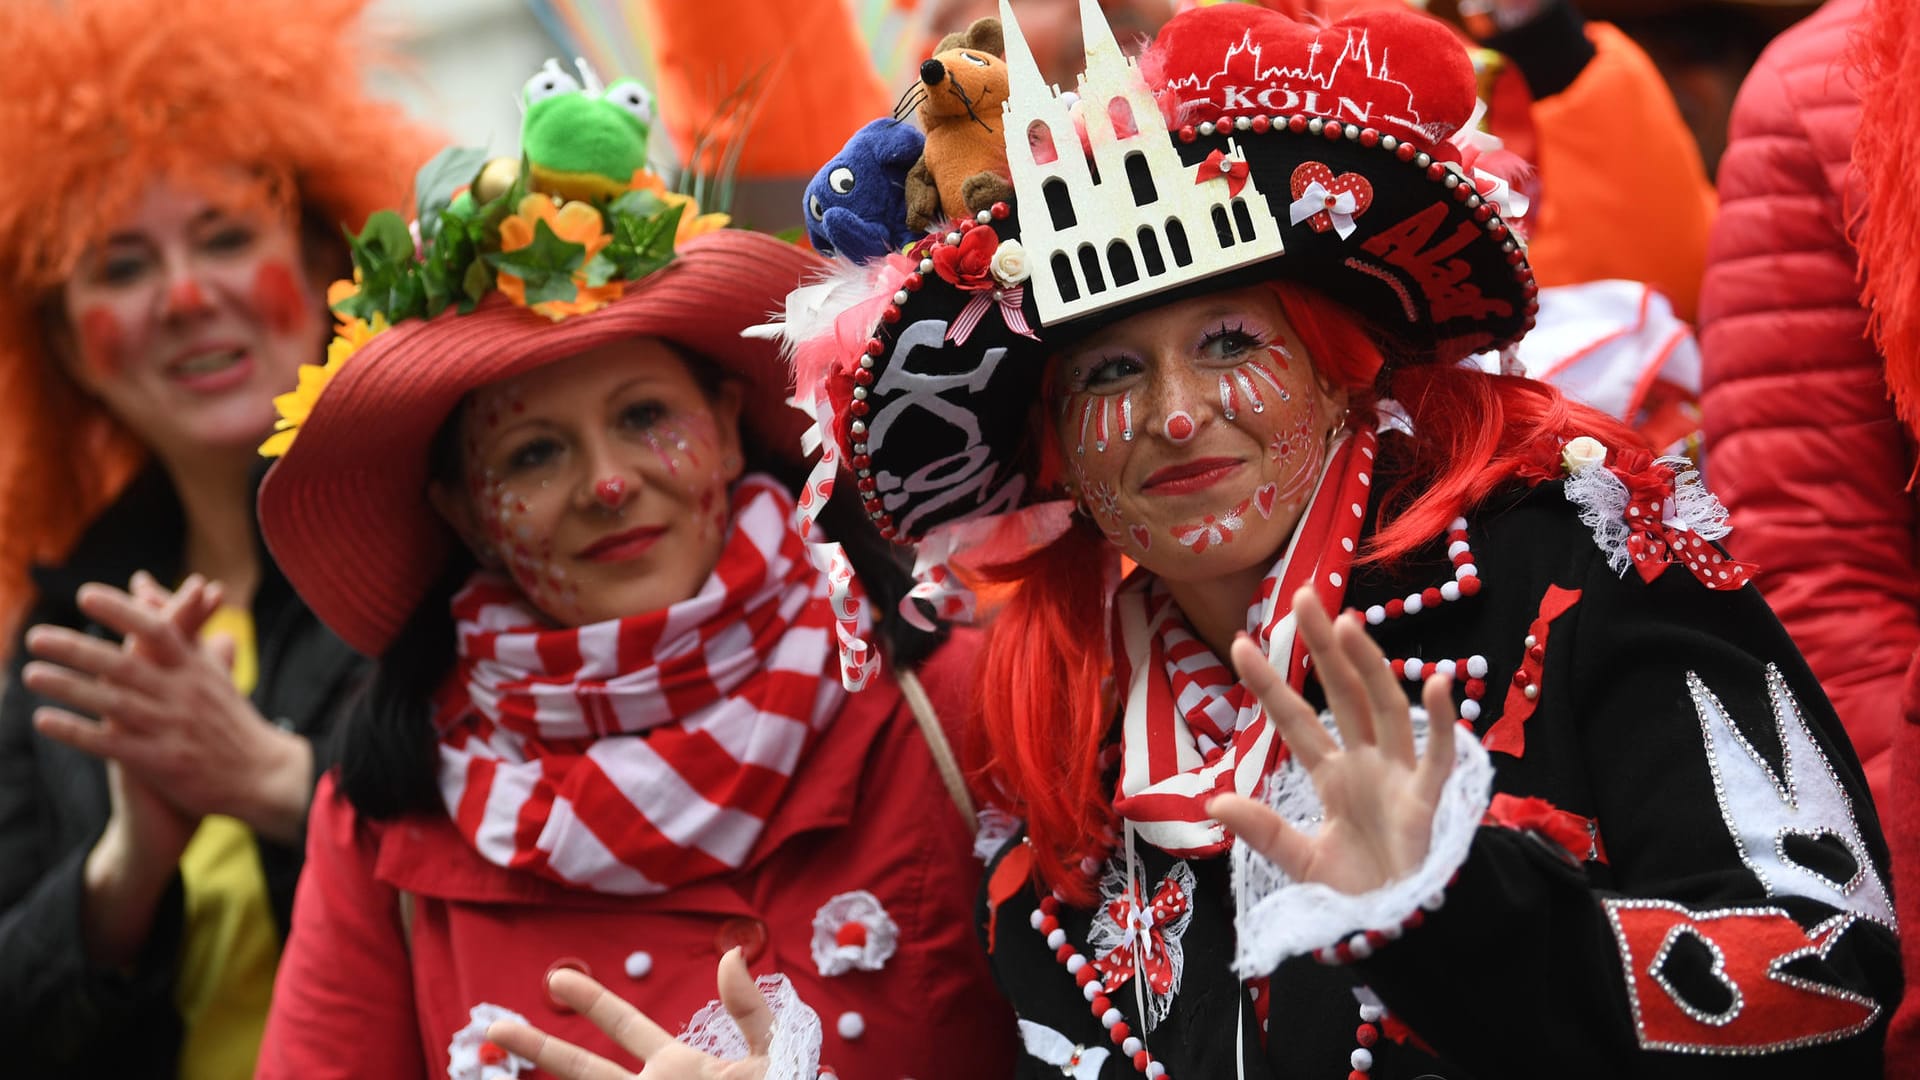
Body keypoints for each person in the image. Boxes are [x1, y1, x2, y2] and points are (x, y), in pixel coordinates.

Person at [774, 2, 1897, 1075]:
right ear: (1055, 446)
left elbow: (1829, 977)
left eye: (1226, 341)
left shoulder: (1566, 564)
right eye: (1112, 371)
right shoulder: (1061, 722)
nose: (1174, 413)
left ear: (1337, 362)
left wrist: (1452, 911)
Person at [248, 127, 1015, 1077]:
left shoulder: (959, 703)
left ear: (732, 430)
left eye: (644, 417)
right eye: (534, 453)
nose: (607, 484)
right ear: (465, 516)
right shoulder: (386, 814)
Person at [0, 0, 428, 1074]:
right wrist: (124, 869)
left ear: (332, 255)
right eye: (122, 266)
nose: (188, 298)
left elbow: (573, 864)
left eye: (229, 238)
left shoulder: (455, 545)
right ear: (61, 342)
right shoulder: (59, 636)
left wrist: (277, 781)